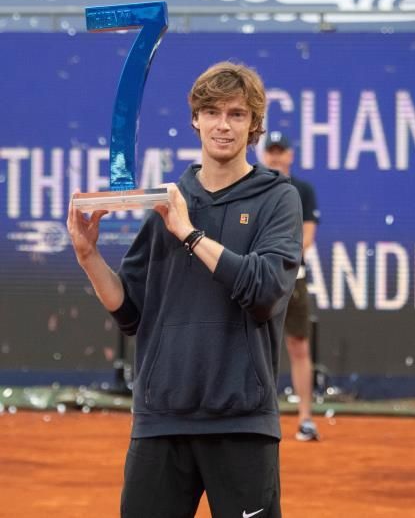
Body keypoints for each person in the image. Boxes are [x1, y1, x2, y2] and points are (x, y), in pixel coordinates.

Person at [67, 62, 302, 517]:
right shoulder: (172, 201)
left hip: (241, 422)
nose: (222, 124)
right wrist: (89, 257)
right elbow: (130, 311)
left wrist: (190, 234)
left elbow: (265, 291)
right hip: (161, 422)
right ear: (195, 118)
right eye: (211, 112)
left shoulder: (278, 198)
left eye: (236, 114)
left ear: (254, 124)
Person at [262, 131, 322, 442]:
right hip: (257, 280)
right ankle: (259, 416)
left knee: (298, 347)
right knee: (257, 348)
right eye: (270, 151)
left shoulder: (303, 191)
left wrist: (273, 256)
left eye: (280, 151)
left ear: (290, 156)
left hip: (291, 279)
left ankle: (306, 418)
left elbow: (306, 239)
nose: (275, 156)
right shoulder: (253, 186)